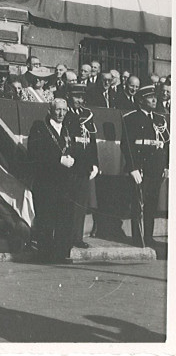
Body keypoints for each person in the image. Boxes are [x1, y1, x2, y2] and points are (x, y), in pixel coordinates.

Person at [27, 99, 76, 263]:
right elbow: (34, 152)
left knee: (64, 218)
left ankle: (61, 253)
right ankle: (45, 254)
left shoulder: (67, 129)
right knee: (46, 218)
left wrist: (72, 159)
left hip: (64, 182)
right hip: (46, 181)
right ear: (50, 111)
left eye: (64, 110)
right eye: (58, 110)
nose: (61, 113)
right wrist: (58, 159)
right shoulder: (39, 127)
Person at [121, 85, 169, 247]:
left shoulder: (159, 119)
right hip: (140, 167)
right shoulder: (131, 118)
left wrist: (166, 166)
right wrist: (132, 167)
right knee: (138, 203)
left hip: (155, 167)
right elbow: (126, 145)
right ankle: (138, 237)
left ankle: (148, 236)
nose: (154, 100)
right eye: (150, 97)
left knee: (151, 203)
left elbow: (167, 144)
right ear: (141, 100)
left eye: (155, 97)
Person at [64, 83, 99, 249]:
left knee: (81, 203)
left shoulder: (87, 115)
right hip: (71, 165)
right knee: (68, 202)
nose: (80, 100)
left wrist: (95, 163)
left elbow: (92, 142)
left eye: (82, 97)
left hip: (84, 166)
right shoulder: (65, 114)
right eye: (77, 96)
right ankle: (66, 237)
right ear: (69, 96)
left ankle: (77, 237)